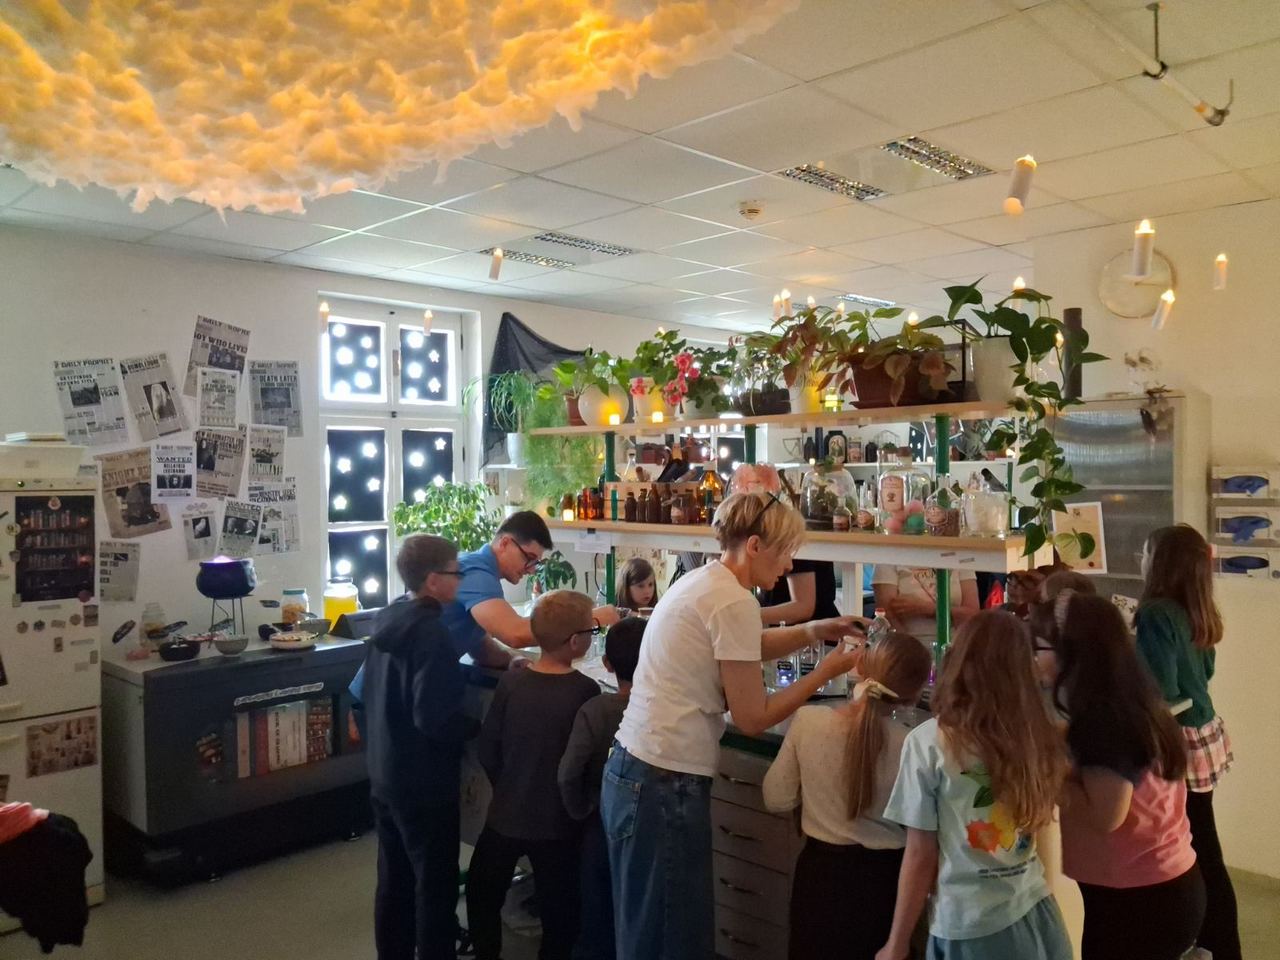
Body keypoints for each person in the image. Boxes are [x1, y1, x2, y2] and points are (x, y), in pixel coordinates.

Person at [603, 492, 862, 960]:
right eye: (786, 553)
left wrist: (814, 630)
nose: (789, 566)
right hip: (664, 780)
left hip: (634, 768)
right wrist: (826, 672)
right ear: (756, 546)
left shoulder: (705, 581)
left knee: (644, 931)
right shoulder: (731, 600)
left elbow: (743, 645)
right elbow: (751, 718)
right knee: (673, 939)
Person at [877, 610, 1071, 960]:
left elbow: (921, 855)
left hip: (971, 925)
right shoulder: (1036, 734)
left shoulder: (929, 743)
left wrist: (897, 942)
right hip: (1040, 914)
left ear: (958, 661)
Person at [1031, 592, 1204, 960]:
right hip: (1157, 886)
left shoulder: (1104, 721)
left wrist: (1042, 770)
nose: (1033, 660)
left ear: (1071, 655)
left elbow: (1105, 816)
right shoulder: (1129, 697)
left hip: (1142, 900)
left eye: (1040, 649)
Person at [350, 511, 620, 732]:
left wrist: (509, 660)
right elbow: (514, 633)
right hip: (389, 699)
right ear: (504, 543)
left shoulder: (477, 571)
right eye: (528, 558)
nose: (530, 570)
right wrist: (591, 618)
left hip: (388, 691)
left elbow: (477, 642)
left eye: (536, 563)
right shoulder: (477, 572)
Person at [762, 631, 932, 960]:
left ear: (861, 667)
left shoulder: (810, 721)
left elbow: (776, 797)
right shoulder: (913, 747)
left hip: (819, 878)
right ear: (915, 694)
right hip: (886, 887)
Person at [465, 591, 603, 960]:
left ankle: (486, 953)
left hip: (504, 815)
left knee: (482, 894)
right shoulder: (585, 691)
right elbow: (585, 763)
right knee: (561, 912)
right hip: (557, 824)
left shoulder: (512, 683)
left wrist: (509, 787)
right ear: (575, 642)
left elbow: (487, 748)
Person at [361, 535, 475, 960]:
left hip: (385, 771)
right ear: (432, 581)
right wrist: (477, 727)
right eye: (455, 573)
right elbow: (434, 717)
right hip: (424, 784)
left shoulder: (388, 618)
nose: (460, 580)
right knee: (435, 886)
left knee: (394, 880)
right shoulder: (431, 634)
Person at [1136, 525, 1240, 960]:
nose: (1141, 560)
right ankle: (1221, 944)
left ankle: (1218, 944)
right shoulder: (1196, 609)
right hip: (1206, 731)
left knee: (1199, 853)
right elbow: (1204, 673)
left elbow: (1160, 688)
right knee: (1205, 847)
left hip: (1181, 738)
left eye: (1145, 552)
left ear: (1159, 562)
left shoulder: (1155, 613)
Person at [557, 617, 646, 960]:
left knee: (596, 906)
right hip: (647, 818)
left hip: (599, 817)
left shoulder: (595, 711)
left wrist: (579, 810)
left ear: (607, 664)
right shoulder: (660, 712)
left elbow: (568, 773)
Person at [872, 564, 979, 651]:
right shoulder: (889, 560)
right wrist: (913, 652)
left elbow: (972, 616)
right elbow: (888, 617)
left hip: (955, 647)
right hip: (909, 647)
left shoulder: (959, 557)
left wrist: (927, 609)